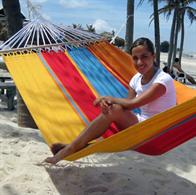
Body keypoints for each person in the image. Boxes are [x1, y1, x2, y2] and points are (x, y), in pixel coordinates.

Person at [44, 37, 176, 164]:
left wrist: (108, 98)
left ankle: (71, 147)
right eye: (135, 58)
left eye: (144, 56)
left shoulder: (163, 80)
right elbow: (126, 107)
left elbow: (134, 104)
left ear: (153, 56)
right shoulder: (136, 79)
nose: (139, 62)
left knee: (114, 109)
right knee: (113, 109)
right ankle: (77, 145)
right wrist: (108, 104)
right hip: (141, 126)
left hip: (159, 131)